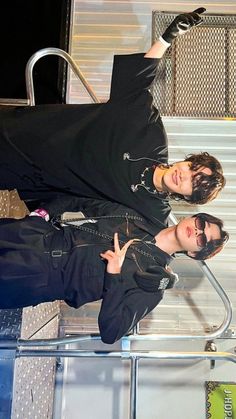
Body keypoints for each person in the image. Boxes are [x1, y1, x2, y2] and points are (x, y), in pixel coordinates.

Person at [0, 8, 225, 227]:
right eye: (191, 168)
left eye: (193, 184)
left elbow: (159, 242)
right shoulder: (150, 136)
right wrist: (167, 38)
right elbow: (137, 83)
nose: (184, 176)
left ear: (188, 197)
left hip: (30, 176)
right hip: (29, 130)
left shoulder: (152, 209)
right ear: (187, 160)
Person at [0, 198, 228, 344]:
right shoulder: (139, 216)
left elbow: (112, 332)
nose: (196, 231)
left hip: (39, 277)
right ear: (193, 216)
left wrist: (114, 276)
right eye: (200, 224)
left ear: (194, 254)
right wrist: (44, 212)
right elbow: (85, 202)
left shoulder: (152, 281)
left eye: (202, 240)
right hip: (38, 235)